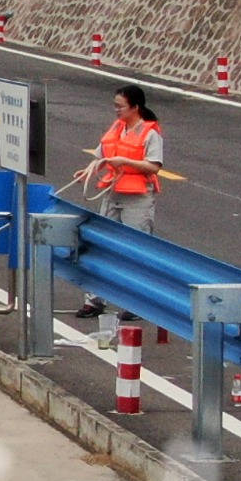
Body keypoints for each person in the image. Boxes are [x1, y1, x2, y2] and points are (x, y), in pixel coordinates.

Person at [73, 84, 163, 322]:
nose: (116, 110)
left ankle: (136, 302)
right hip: (113, 193)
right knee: (101, 245)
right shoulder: (117, 127)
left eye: (120, 106)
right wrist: (89, 170)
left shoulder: (149, 133)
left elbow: (154, 166)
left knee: (135, 250)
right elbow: (101, 154)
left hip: (138, 198)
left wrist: (125, 161)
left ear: (135, 107)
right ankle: (94, 300)